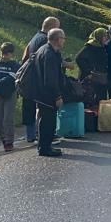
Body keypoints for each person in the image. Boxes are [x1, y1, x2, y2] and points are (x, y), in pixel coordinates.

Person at [20, 16, 60, 143]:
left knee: (30, 107)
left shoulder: (35, 37)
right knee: (43, 108)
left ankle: (31, 134)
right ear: (52, 28)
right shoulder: (45, 41)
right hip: (38, 79)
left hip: (31, 77)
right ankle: (42, 134)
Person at [35, 29, 69, 157]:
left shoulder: (45, 50)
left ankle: (45, 146)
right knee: (48, 122)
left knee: (46, 121)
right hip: (47, 95)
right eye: (63, 38)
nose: (64, 41)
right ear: (57, 39)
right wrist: (58, 96)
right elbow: (51, 79)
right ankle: (44, 148)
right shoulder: (49, 54)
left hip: (42, 93)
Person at [0, 42, 21, 152]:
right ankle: (3, 138)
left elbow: (9, 78)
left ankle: (9, 141)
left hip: (10, 93)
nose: (4, 56)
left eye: (7, 54)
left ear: (11, 54)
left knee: (7, 118)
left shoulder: (15, 65)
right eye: (2, 53)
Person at [76, 28, 109, 105]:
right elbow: (79, 58)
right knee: (90, 99)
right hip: (90, 78)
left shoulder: (103, 47)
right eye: (104, 36)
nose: (106, 38)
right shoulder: (90, 46)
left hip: (101, 78)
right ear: (99, 36)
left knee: (101, 100)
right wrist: (88, 71)